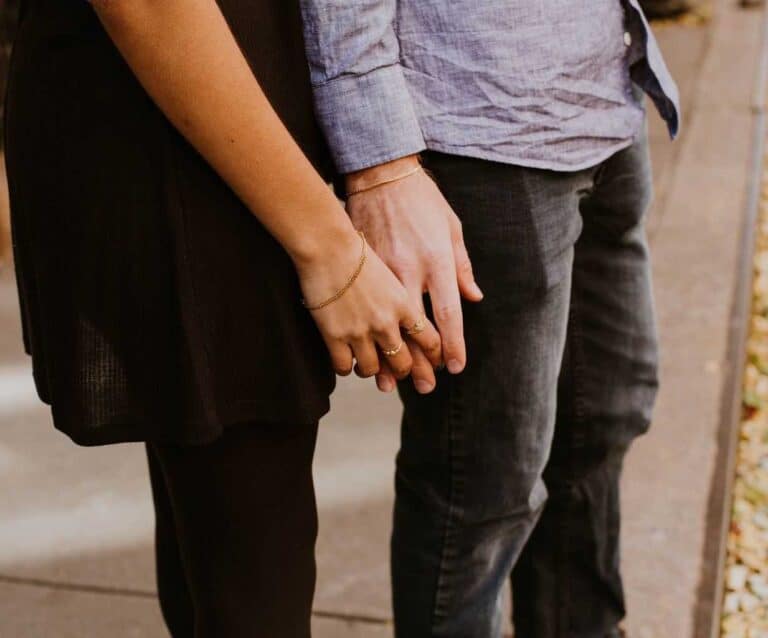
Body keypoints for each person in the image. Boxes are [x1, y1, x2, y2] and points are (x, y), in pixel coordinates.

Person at [5, 1, 453, 636]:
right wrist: (331, 250)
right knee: (249, 577)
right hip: (196, 151)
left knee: (217, 546)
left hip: (218, 129)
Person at [300, 1, 680, 636]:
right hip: (478, 127)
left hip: (608, 93)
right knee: (483, 486)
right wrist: (380, 166)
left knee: (606, 416)